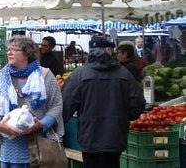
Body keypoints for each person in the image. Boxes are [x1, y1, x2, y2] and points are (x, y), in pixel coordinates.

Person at [62, 37, 145, 168]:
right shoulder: (124, 73)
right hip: (116, 135)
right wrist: (123, 117)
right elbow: (138, 103)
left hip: (90, 136)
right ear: (108, 51)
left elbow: (66, 105)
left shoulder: (79, 74)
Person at [0, 35, 64, 168]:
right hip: (10, 147)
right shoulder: (0, 77)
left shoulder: (45, 75)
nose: (9, 52)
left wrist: (41, 124)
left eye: (14, 49)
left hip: (40, 146)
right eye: (8, 49)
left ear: (27, 53)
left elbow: (56, 105)